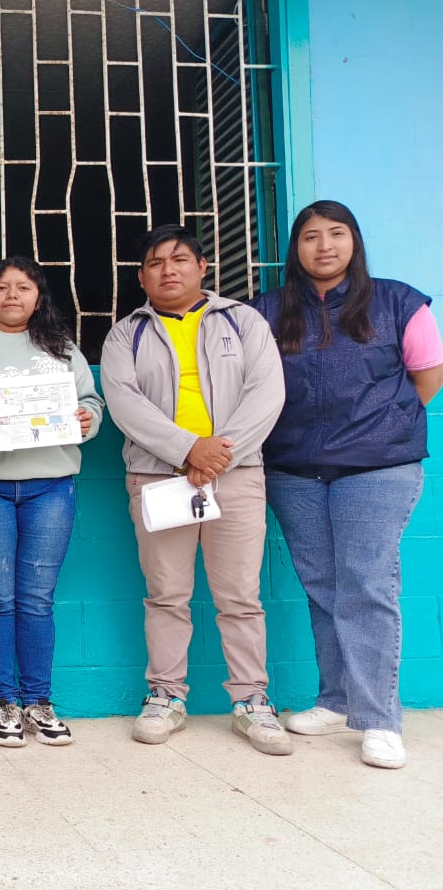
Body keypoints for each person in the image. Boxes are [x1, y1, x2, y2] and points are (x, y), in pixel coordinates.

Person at [253, 200, 443, 770]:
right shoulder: (269, 309)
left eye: (336, 234)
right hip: (294, 469)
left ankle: (380, 719)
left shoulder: (398, 301)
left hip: (376, 468)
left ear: (354, 241)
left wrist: (383, 426)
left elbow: (427, 376)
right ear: (295, 248)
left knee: (366, 585)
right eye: (311, 236)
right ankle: (336, 700)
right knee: (322, 586)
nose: (325, 246)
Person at [100, 224, 292, 755]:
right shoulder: (125, 334)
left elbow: (267, 392)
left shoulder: (242, 321)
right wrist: (189, 450)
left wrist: (218, 453)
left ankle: (251, 701)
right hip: (159, 477)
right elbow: (124, 403)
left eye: (179, 259)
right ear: (141, 277)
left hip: (236, 474)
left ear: (202, 267)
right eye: (155, 263)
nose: (168, 270)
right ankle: (165, 696)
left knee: (240, 597)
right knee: (166, 594)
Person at [0, 257, 102, 747]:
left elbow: (91, 402)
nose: (12, 295)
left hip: (51, 486)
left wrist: (87, 418)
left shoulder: (62, 348)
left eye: (23, 287)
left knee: (37, 599)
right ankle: (4, 702)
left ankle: (39, 701)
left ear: (39, 297)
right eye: (1, 287)